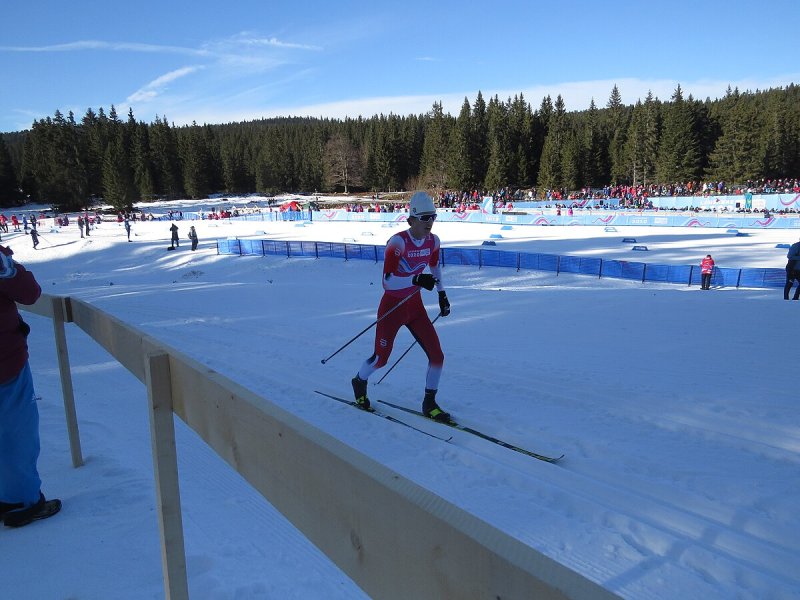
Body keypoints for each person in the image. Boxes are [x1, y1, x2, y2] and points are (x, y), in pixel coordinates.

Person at [351, 191, 452, 422]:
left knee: (437, 356)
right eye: (425, 218)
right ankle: (359, 381)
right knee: (381, 358)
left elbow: (435, 267)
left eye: (433, 217)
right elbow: (387, 282)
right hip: (392, 307)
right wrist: (416, 280)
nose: (430, 222)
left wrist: (442, 294)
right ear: (411, 220)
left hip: (414, 307)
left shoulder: (433, 241)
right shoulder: (397, 243)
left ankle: (429, 403)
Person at [0, 245, 61, 527]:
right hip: (6, 365)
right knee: (16, 434)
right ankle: (24, 502)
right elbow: (29, 293)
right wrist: (9, 269)